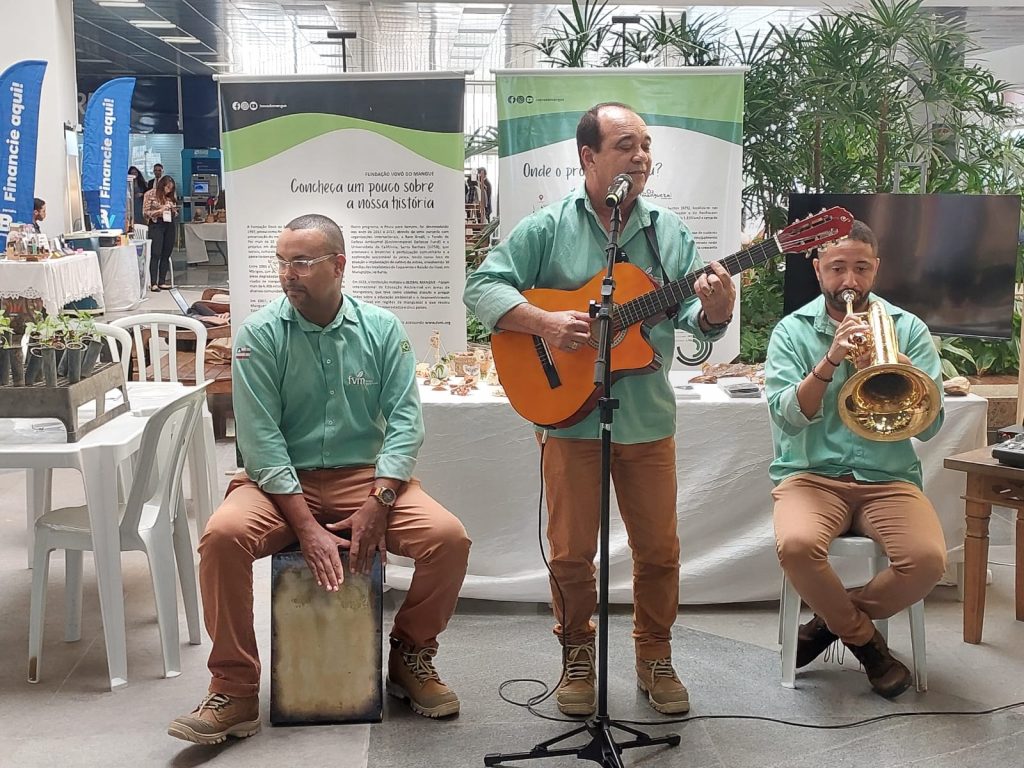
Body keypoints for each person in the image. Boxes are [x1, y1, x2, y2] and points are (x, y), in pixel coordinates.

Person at [463, 102, 735, 717]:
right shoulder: (548, 226)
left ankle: (655, 656)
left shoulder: (671, 232)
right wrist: (545, 324)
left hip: (645, 418)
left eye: (645, 145)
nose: (640, 157)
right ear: (588, 157)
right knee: (569, 552)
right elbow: (481, 286)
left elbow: (695, 323)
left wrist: (716, 312)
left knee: (659, 550)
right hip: (569, 418)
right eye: (624, 145)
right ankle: (577, 655)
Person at [168, 214, 470, 745]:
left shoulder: (381, 329)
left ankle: (410, 657)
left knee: (447, 539)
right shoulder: (259, 335)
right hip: (279, 482)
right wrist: (306, 526)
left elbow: (405, 421)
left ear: (338, 265)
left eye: (302, 262)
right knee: (221, 538)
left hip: (365, 479)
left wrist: (381, 498)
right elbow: (261, 441)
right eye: (282, 262)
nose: (289, 273)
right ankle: (234, 689)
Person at [764, 220, 946, 699]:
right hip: (811, 477)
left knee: (927, 562)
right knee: (799, 545)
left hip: (888, 478)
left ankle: (827, 623)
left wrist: (903, 375)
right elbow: (787, 419)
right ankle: (867, 645)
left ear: (876, 269)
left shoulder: (908, 329)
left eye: (861, 269)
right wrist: (828, 362)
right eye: (838, 268)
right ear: (818, 268)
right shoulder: (792, 331)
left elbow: (931, 427)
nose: (850, 281)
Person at [142, 175, 178, 291]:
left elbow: (175, 212)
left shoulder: (170, 197)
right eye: (167, 188)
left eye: (171, 189)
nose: (169, 190)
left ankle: (162, 281)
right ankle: (153, 283)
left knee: (166, 253)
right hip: (156, 224)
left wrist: (172, 210)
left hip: (169, 224)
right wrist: (160, 211)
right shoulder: (150, 194)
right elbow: (146, 213)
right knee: (156, 253)